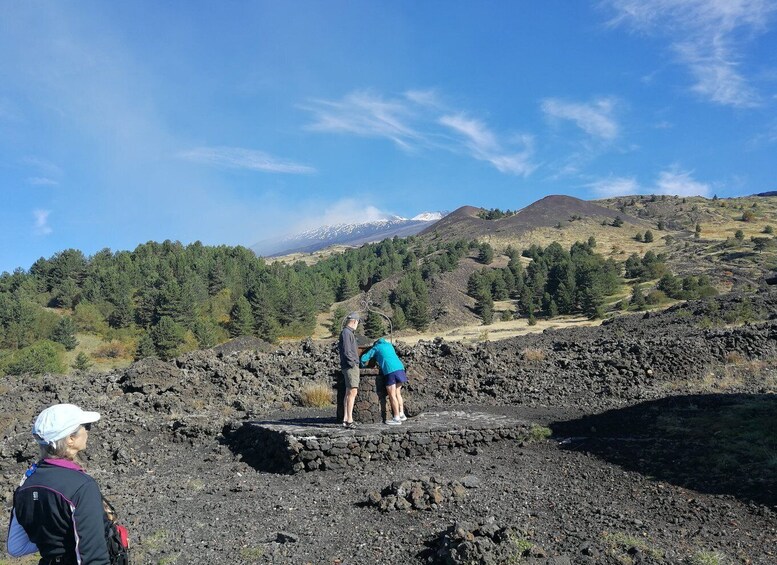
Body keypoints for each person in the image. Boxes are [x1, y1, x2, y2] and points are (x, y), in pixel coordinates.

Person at [7, 403, 112, 564]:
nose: (88, 431)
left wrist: (51, 544)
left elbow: (16, 547)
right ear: (70, 439)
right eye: (86, 426)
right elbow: (93, 558)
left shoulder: (25, 485)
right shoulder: (82, 486)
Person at [360, 337, 408, 425]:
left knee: (392, 395)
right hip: (400, 368)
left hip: (390, 370)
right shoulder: (389, 345)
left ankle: (396, 418)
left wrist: (361, 364)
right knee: (398, 393)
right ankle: (402, 414)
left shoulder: (376, 347)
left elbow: (364, 358)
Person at [338, 312, 360, 428]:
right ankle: (349, 420)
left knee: (348, 393)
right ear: (355, 321)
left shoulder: (346, 332)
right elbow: (347, 351)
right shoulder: (347, 333)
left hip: (348, 365)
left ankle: (346, 418)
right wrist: (353, 363)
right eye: (358, 322)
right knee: (352, 392)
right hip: (350, 366)